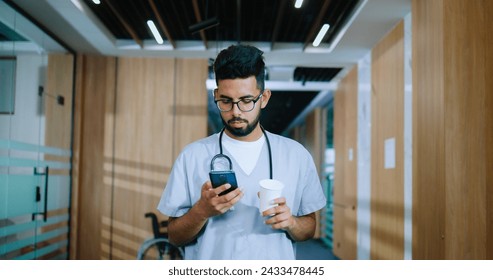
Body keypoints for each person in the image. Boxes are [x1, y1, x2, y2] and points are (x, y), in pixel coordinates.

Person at [157, 44, 326, 260]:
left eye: (246, 101)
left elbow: (309, 228)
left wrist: (291, 222)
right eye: (226, 101)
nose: (235, 112)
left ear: (264, 98)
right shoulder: (192, 157)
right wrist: (201, 211)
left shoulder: (296, 155)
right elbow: (174, 236)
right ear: (216, 95)